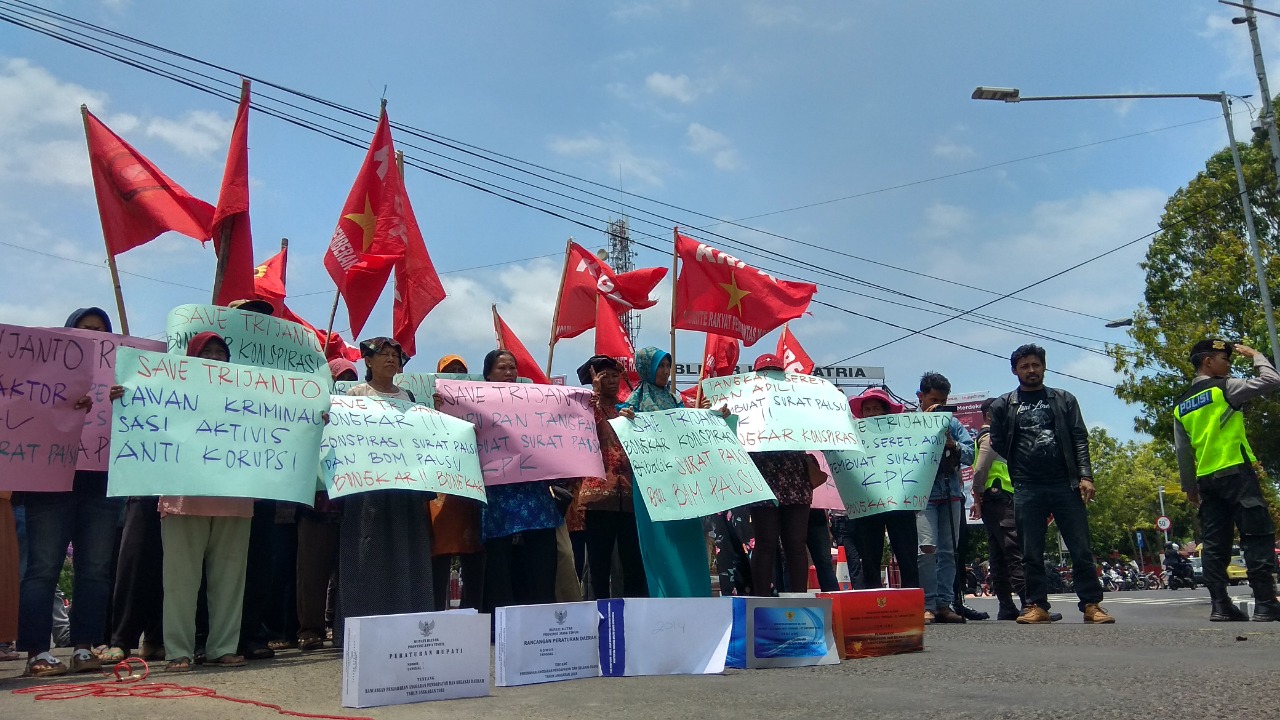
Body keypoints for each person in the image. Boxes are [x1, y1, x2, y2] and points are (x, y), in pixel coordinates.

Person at [18, 307, 125, 676]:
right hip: (50, 480)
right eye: (84, 330)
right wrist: (62, 405)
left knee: (95, 570)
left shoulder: (119, 378)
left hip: (100, 482)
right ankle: (36, 652)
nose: (93, 335)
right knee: (43, 569)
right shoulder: (41, 377)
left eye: (100, 331)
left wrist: (123, 400)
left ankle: (84, 648)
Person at [989, 344, 1114, 624]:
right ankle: (1036, 605)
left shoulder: (1064, 399)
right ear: (1015, 371)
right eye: (1025, 366)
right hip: (1026, 486)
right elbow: (999, 442)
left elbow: (1079, 438)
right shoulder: (1003, 405)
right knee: (1030, 550)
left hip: (1065, 484)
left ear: (1044, 367)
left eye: (1035, 365)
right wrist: (1023, 465)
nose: (1031, 370)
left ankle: (1091, 605)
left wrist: (1086, 476)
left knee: (1080, 548)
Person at [160, 332, 252, 672]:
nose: (215, 357)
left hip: (235, 499)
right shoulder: (170, 391)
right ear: (191, 358)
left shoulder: (249, 394)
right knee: (180, 581)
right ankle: (178, 651)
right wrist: (127, 398)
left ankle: (222, 647)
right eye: (207, 351)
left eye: (221, 352)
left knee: (230, 580)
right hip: (184, 499)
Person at [1173, 339, 1280, 621]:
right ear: (1208, 362)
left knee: (1214, 544)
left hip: (1207, 480)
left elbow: (1183, 450)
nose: (1229, 363)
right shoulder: (1225, 387)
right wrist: (1256, 355)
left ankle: (1220, 605)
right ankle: (1266, 605)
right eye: (1225, 358)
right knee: (1256, 536)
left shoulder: (1181, 404)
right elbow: (1272, 380)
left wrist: (1189, 487)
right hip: (1236, 473)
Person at [336, 337, 435, 639]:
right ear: (368, 361)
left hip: (403, 491)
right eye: (384, 355)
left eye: (396, 355)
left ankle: (407, 624)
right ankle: (363, 628)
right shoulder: (355, 395)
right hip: (367, 491)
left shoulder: (408, 398)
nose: (391, 360)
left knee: (407, 553)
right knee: (367, 554)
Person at [618, 347, 712, 597]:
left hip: (681, 481)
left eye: (667, 366)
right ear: (646, 368)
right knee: (660, 543)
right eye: (659, 366)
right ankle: (666, 596)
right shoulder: (631, 404)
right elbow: (623, 436)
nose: (664, 371)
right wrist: (627, 419)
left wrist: (708, 416)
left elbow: (690, 432)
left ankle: (695, 593)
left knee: (688, 538)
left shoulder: (675, 400)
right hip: (653, 484)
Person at [478, 350, 563, 613]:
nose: (509, 373)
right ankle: (500, 623)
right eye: (502, 368)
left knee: (539, 561)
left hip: (534, 498)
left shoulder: (533, 403)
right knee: (499, 563)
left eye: (512, 368)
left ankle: (539, 620)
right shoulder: (474, 405)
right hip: (498, 499)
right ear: (488, 374)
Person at [293, 357, 357, 651]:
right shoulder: (312, 408)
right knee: (313, 570)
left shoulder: (361, 410)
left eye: (350, 379)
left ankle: (344, 626)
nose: (344, 385)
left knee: (349, 571)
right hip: (317, 502)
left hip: (351, 503)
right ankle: (311, 630)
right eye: (339, 378)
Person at [574, 356, 647, 599]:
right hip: (598, 498)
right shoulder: (584, 408)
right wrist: (594, 396)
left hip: (628, 497)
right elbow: (584, 434)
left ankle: (634, 615)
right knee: (598, 564)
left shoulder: (627, 410)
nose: (612, 380)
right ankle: (597, 616)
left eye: (615, 375)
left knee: (633, 563)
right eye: (605, 376)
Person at [745, 354, 816, 596]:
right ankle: (761, 599)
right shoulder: (745, 403)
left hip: (795, 480)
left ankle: (799, 598)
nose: (770, 377)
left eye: (776, 372)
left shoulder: (798, 401)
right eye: (765, 373)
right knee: (765, 544)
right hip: (763, 481)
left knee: (796, 545)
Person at [847, 388, 920, 595]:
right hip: (869, 502)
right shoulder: (853, 435)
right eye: (867, 409)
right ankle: (873, 602)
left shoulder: (903, 433)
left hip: (900, 501)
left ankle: (911, 600)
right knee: (870, 556)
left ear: (886, 411)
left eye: (876, 409)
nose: (871, 413)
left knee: (906, 554)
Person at [914, 372, 974, 624]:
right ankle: (927, 604)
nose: (938, 406)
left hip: (950, 492)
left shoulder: (954, 424)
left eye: (943, 401)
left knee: (949, 551)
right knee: (927, 549)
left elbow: (971, 454)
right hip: (923, 493)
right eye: (933, 400)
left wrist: (954, 445)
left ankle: (944, 603)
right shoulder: (909, 422)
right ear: (921, 397)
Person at [428, 354, 485, 611]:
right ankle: (434, 613)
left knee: (473, 555)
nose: (456, 375)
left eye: (461, 371)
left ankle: (471, 612)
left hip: (469, 492)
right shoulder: (428, 407)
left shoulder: (478, 407)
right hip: (441, 491)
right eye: (449, 371)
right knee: (438, 554)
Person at [971, 397, 1026, 621]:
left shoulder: (994, 437)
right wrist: (977, 495)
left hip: (995, 500)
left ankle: (1006, 605)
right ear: (991, 416)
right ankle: (1030, 603)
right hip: (999, 499)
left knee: (999, 554)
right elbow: (980, 470)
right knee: (1015, 550)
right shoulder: (991, 438)